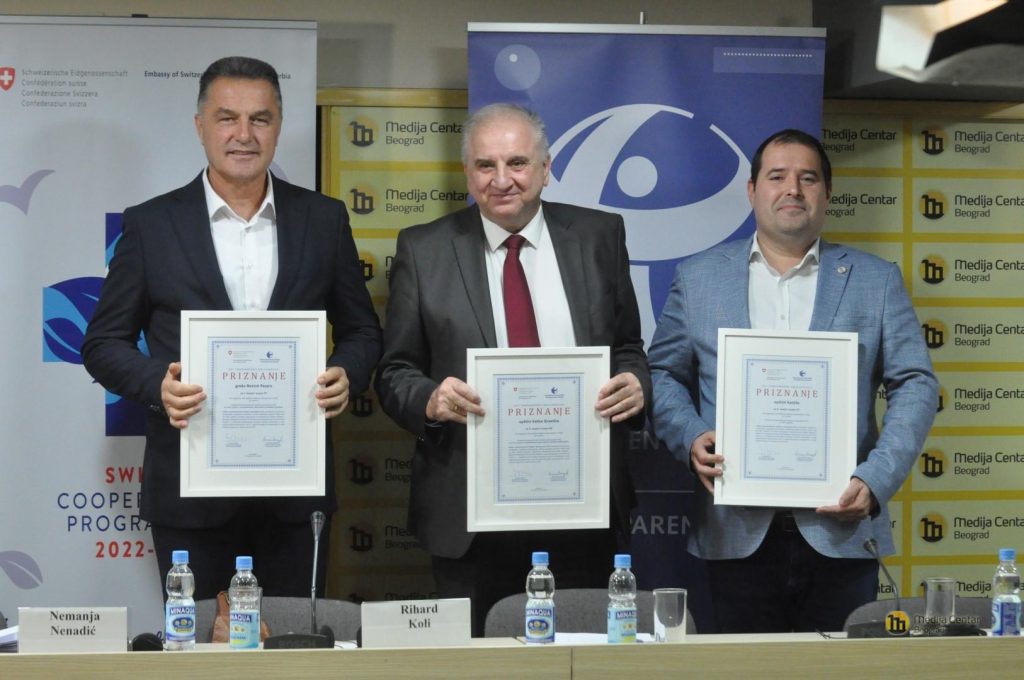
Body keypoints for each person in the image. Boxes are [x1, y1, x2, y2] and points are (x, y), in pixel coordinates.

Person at [82, 56, 382, 600]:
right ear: (200, 126)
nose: (244, 134)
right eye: (227, 118)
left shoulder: (324, 219)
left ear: (278, 126)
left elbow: (363, 332)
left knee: (294, 639)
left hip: (296, 490)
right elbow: (103, 343)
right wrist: (158, 386)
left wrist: (346, 372)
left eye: (260, 119)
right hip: (189, 488)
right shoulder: (152, 224)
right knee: (196, 641)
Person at [374, 103, 650, 636]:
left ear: (546, 169)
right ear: (467, 173)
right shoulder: (424, 248)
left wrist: (636, 384)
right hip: (471, 514)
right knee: (478, 665)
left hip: (582, 506)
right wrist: (430, 399)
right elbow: (395, 371)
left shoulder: (599, 236)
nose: (501, 180)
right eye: (485, 165)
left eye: (517, 163)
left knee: (581, 659)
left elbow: (628, 347)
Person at [648, 129, 938, 633]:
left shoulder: (876, 280)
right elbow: (663, 374)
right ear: (752, 189)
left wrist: (875, 478)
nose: (793, 190)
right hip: (734, 532)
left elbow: (916, 383)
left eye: (808, 178)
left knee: (839, 670)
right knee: (744, 669)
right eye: (777, 176)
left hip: (842, 530)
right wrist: (691, 436)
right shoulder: (698, 278)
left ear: (827, 193)